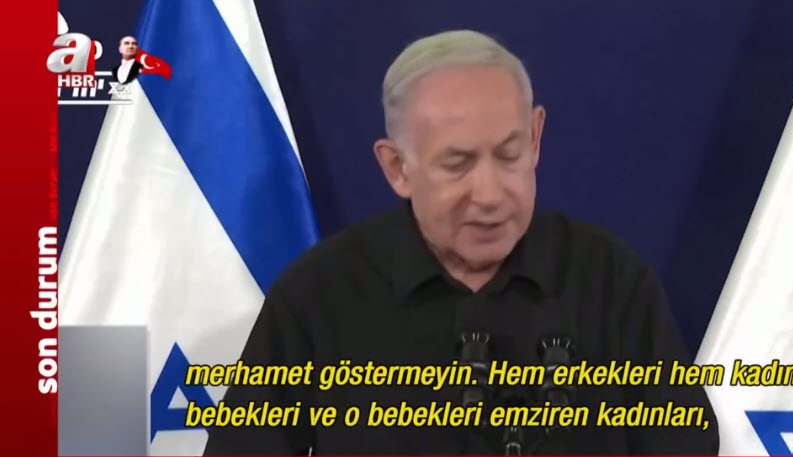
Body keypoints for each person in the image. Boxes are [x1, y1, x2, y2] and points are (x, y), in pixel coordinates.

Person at [203, 30, 719, 455]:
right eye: (458, 164)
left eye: (510, 155)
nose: (490, 194)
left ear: (535, 138)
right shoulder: (316, 297)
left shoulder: (613, 284)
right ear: (396, 167)